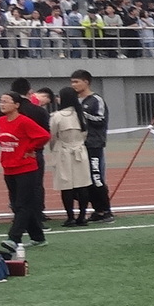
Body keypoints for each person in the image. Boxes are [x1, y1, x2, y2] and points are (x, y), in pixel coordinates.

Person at [0, 91, 50, 253]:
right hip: (9, 168)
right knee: (18, 204)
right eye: (1, 101)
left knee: (22, 204)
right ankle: (38, 237)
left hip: (26, 168)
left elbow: (44, 135)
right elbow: (0, 138)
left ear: (17, 105)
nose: (2, 104)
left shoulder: (24, 121)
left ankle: (14, 238)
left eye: (6, 101)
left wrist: (29, 148)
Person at [68, 68, 114, 221]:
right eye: (72, 82)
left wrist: (81, 113)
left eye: (76, 82)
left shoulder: (96, 100)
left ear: (86, 82)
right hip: (77, 146)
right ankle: (96, 209)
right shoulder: (74, 100)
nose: (73, 85)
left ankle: (105, 211)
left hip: (94, 144)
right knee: (82, 180)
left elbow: (100, 120)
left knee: (96, 177)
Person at [47, 85, 96, 226]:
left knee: (66, 185)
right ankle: (82, 216)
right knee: (82, 184)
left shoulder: (56, 116)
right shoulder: (81, 115)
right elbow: (85, 134)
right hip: (80, 150)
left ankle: (70, 217)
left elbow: (52, 136)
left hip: (63, 151)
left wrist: (53, 150)